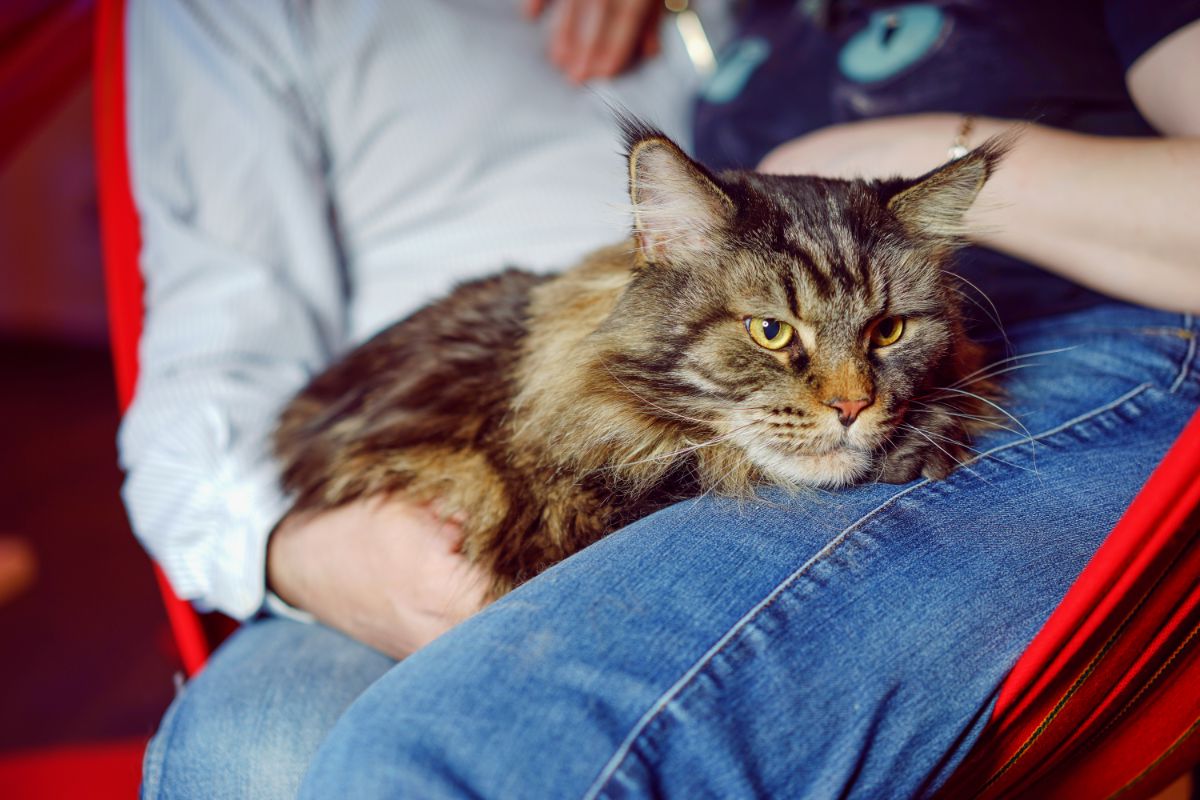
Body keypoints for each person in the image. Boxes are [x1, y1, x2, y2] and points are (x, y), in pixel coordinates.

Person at [120, 0, 1200, 798]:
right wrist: (300, 550)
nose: (844, 394)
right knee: (248, 766)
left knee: (424, 762)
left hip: (1070, 340)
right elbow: (208, 370)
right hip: (455, 439)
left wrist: (922, 159)